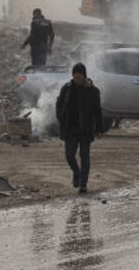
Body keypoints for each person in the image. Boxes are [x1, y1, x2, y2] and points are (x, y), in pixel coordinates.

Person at [55, 63, 105, 194]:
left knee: (84, 156)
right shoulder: (66, 88)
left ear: (84, 76)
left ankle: (83, 184)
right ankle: (76, 172)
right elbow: (59, 104)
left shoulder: (92, 91)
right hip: (70, 128)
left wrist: (99, 129)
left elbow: (97, 111)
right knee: (69, 155)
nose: (77, 79)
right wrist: (61, 118)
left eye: (79, 77)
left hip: (85, 129)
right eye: (75, 77)